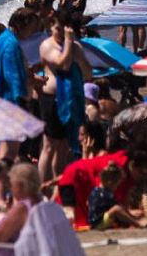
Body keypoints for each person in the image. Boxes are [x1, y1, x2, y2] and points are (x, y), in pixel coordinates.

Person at [38, 10, 92, 185]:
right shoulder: (47, 45)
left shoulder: (74, 47)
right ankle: (42, 188)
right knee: (49, 146)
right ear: (51, 28)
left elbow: (87, 73)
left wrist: (78, 55)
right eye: (57, 29)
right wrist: (69, 43)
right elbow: (62, 64)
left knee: (64, 147)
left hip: (71, 99)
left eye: (63, 29)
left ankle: (58, 186)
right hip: (52, 100)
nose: (59, 33)